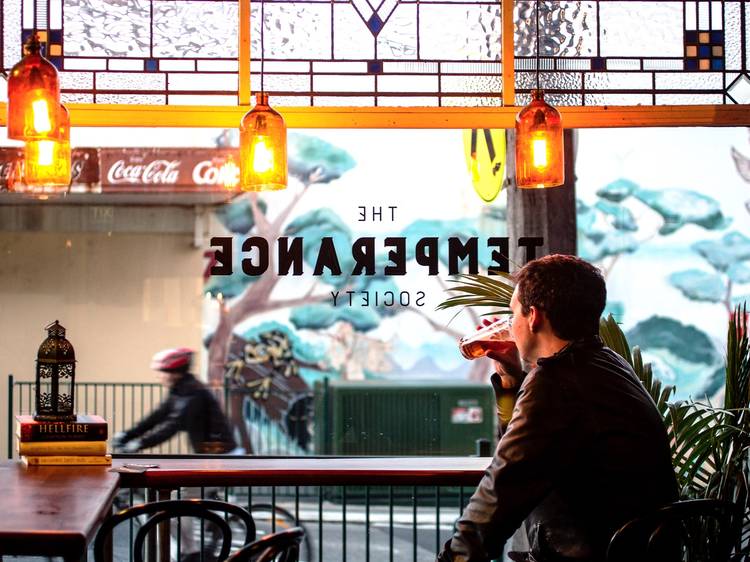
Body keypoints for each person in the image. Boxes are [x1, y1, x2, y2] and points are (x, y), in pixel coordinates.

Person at [437, 254, 678, 562]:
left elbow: (501, 489)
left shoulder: (557, 382)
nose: (511, 325)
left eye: (513, 314)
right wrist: (510, 378)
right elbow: (525, 447)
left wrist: (453, 558)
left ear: (533, 317)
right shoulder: (602, 363)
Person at [113, 347, 237, 454]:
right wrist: (127, 434)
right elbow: (156, 416)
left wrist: (139, 443)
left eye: (162, 372)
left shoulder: (193, 394)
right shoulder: (179, 391)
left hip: (222, 457)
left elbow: (173, 425)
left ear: (175, 373)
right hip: (210, 455)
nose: (158, 376)